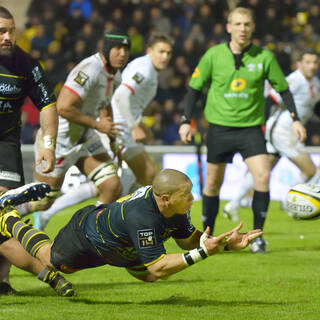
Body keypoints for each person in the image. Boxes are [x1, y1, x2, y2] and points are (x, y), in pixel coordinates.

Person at [0, 169, 263, 293]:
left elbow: (186, 242)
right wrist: (204, 252)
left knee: (150, 278)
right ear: (165, 198)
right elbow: (158, 266)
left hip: (120, 244)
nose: (192, 198)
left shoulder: (176, 208)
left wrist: (225, 243)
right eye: (186, 194)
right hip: (88, 235)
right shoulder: (142, 216)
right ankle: (9, 216)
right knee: (50, 260)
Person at [179, 7, 306, 253]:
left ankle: (257, 237)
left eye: (247, 24)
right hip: (220, 129)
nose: (242, 29)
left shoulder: (264, 57)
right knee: (213, 184)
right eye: (237, 24)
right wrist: (186, 120)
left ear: (253, 27)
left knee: (263, 176)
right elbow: (194, 89)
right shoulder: (213, 55)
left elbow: (284, 90)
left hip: (250, 129)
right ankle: (208, 238)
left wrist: (296, 119)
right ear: (228, 27)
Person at [16, 29, 131, 219]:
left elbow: (104, 103)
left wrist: (112, 141)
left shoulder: (115, 75)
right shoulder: (90, 69)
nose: (122, 54)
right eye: (117, 48)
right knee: (43, 201)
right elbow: (63, 107)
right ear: (107, 49)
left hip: (85, 139)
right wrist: (97, 125)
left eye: (126, 50)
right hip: (59, 139)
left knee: (112, 186)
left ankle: (94, 236)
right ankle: (6, 214)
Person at [0, 6, 66, 294]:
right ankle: (44, 272)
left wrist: (48, 145)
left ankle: (2, 281)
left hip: (6, 145)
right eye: (1, 32)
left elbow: (48, 105)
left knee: (4, 217)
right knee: (3, 218)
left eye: (11, 31)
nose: (7, 37)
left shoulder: (26, 64)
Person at [224, 48, 320, 217]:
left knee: (263, 171)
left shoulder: (315, 83)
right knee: (311, 171)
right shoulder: (294, 80)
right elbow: (272, 98)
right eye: (308, 62)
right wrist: (260, 125)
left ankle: (232, 204)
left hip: (288, 132)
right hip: (283, 131)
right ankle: (290, 203)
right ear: (299, 64)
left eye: (315, 62)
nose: (312, 66)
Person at [111, 33, 174, 185]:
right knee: (108, 186)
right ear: (149, 51)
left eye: (168, 53)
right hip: (119, 128)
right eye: (161, 51)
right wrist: (133, 126)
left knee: (148, 175)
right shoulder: (144, 70)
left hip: (125, 126)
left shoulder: (149, 69)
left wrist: (139, 123)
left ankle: (123, 207)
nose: (165, 57)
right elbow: (121, 96)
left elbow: (132, 102)